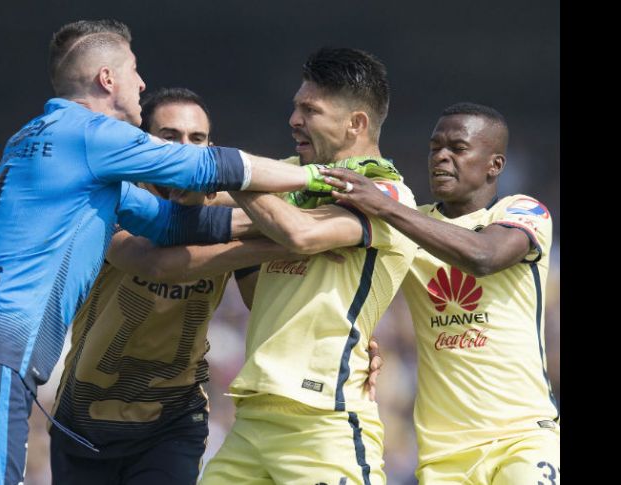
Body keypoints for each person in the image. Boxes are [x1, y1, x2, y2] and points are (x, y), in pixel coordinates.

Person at [0, 19, 343, 485]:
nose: (141, 82)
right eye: (134, 70)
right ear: (107, 79)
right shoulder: (90, 134)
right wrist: (317, 180)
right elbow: (207, 172)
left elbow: (172, 224)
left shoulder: (52, 145)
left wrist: (300, 229)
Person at [49, 87, 385, 484]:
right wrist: (276, 241)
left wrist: (345, 333)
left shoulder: (228, 209)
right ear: (142, 143)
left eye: (197, 140)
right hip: (85, 416)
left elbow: (265, 301)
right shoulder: (114, 197)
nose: (185, 150)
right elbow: (153, 263)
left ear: (212, 149)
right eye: (169, 137)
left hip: (173, 419)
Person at [200, 47, 418, 485]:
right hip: (253, 415)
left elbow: (300, 234)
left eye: (310, 109)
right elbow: (202, 196)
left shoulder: (387, 194)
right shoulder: (290, 175)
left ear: (356, 123)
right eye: (295, 107)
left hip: (324, 422)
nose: (293, 119)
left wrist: (238, 176)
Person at [322, 102, 560, 484]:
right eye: (435, 147)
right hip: (443, 454)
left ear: (494, 165)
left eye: (458, 149)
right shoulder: (411, 227)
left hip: (523, 437)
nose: (441, 157)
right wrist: (364, 341)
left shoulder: (523, 212)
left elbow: (484, 256)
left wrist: (384, 206)